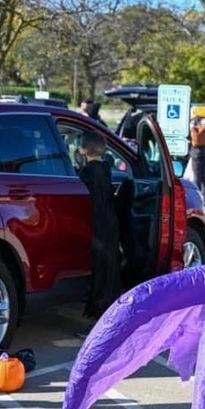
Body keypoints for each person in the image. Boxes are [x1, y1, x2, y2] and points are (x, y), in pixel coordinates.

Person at [78, 131, 121, 321]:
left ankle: (99, 311)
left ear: (82, 150)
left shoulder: (87, 172)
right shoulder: (105, 169)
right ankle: (108, 307)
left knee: (100, 269)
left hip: (96, 224)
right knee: (109, 267)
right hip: (109, 222)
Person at [189, 117, 205, 198]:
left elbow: (195, 136)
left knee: (197, 175)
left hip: (196, 152)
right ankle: (204, 194)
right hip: (204, 151)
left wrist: (192, 127)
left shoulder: (194, 130)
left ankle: (197, 195)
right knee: (204, 174)